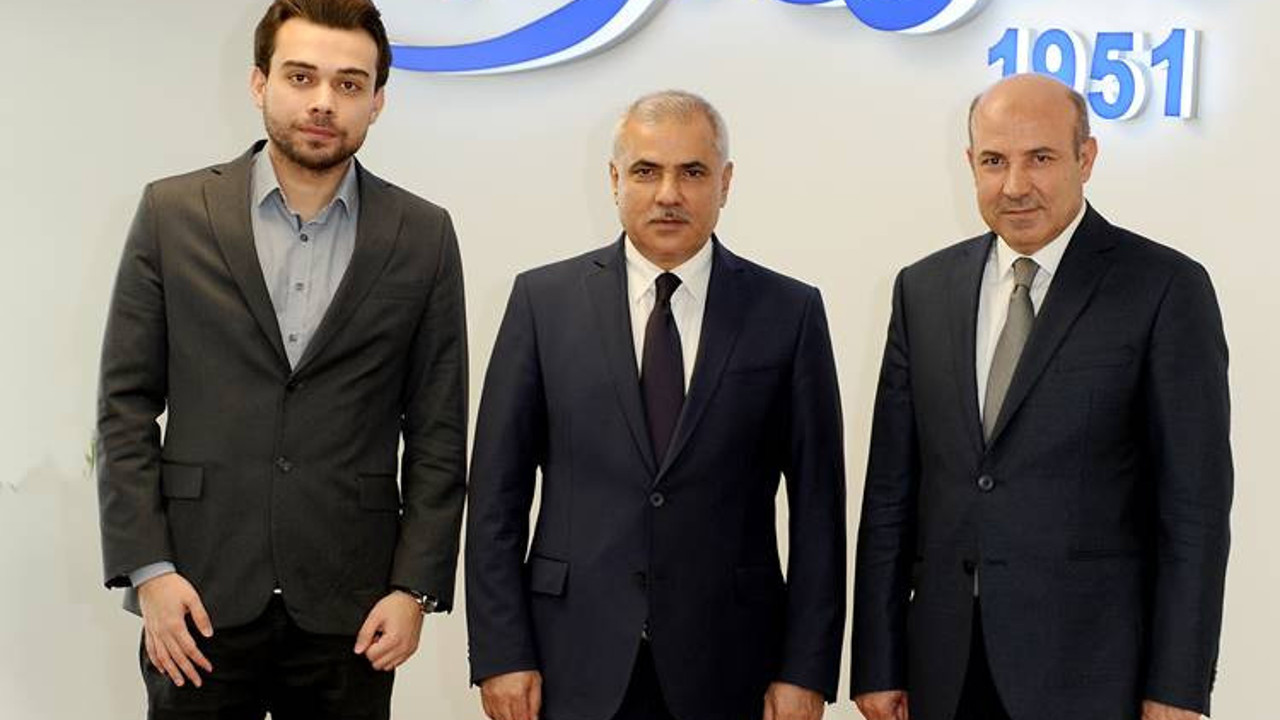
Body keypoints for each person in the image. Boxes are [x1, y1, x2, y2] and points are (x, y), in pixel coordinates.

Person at [95, 1, 468, 717]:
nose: (324, 101)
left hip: (352, 605)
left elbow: (439, 429)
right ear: (259, 83)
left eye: (350, 84)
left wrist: (414, 588)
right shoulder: (172, 214)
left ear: (377, 101)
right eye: (302, 77)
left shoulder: (422, 234)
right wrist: (150, 571)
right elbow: (124, 407)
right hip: (195, 596)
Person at [850, 73, 1232, 720]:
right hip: (943, 670)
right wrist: (878, 661)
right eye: (994, 161)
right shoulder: (923, 289)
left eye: (1041, 158)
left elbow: (1194, 510)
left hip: (1095, 675)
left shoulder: (1165, 288)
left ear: (1087, 158)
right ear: (970, 163)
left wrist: (1177, 686)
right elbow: (891, 493)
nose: (1015, 185)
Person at [465, 90, 846, 720]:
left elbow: (818, 510)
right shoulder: (542, 303)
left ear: (725, 183)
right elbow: (495, 498)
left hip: (733, 663)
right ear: (615, 180)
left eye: (692, 172)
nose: (669, 194)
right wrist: (501, 652)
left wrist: (805, 669)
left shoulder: (790, 312)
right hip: (569, 659)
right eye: (646, 171)